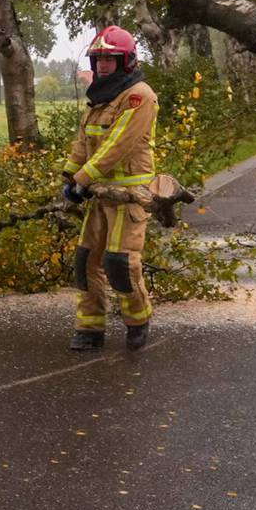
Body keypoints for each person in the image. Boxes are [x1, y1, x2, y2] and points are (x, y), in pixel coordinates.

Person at [61, 25, 160, 351]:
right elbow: (83, 144)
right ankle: (90, 329)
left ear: (126, 61)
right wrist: (68, 178)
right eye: (98, 59)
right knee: (86, 260)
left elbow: (117, 146)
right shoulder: (97, 99)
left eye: (110, 59)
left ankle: (138, 322)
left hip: (129, 197)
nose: (103, 65)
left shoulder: (139, 96)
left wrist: (82, 179)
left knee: (120, 261)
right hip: (98, 196)